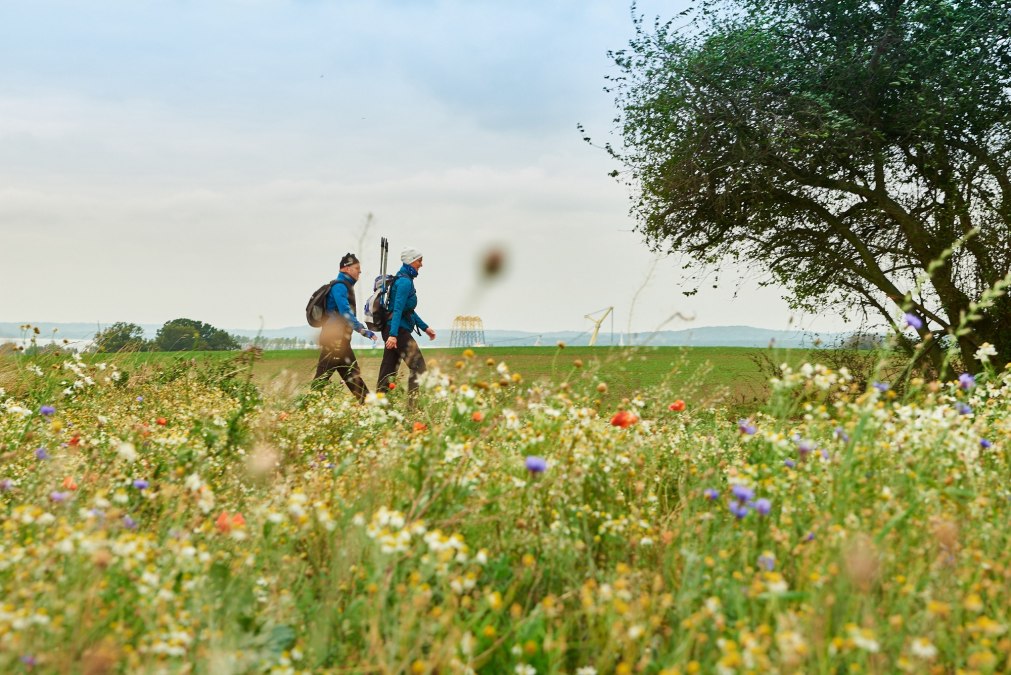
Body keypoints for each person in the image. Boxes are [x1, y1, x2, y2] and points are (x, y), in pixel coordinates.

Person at [312, 252, 377, 401]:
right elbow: (345, 312)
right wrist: (362, 329)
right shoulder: (340, 286)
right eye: (357, 268)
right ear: (346, 269)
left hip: (341, 341)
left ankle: (369, 408)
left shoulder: (345, 286)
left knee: (353, 376)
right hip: (334, 340)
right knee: (321, 380)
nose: (359, 271)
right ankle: (306, 409)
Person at [377, 247, 436, 398]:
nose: (421, 264)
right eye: (419, 261)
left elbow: (406, 310)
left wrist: (425, 328)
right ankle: (412, 407)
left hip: (393, 329)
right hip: (398, 331)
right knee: (419, 367)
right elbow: (397, 310)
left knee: (388, 371)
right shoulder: (404, 282)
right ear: (410, 261)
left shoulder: (402, 278)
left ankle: (380, 408)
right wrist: (393, 335)